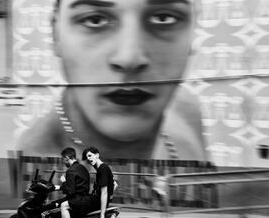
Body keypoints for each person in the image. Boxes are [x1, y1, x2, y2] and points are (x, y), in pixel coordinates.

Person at [15, 0, 208, 161]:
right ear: (55, 35)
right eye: (95, 20)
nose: (129, 59)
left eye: (163, 18)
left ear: (193, 33)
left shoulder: (186, 109)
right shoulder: (30, 161)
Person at [26, 147, 91, 218]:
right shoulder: (83, 168)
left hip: (73, 200)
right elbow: (76, 186)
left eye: (63, 159)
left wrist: (63, 182)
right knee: (54, 208)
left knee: (44, 211)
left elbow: (70, 190)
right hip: (83, 199)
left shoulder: (70, 171)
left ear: (66, 158)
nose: (63, 162)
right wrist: (59, 187)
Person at [82, 146, 115, 218]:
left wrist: (102, 216)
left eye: (90, 155)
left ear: (97, 155)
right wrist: (109, 197)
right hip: (96, 200)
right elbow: (115, 184)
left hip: (96, 202)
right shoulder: (103, 168)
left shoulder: (102, 169)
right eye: (86, 158)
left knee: (69, 205)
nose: (88, 159)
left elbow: (104, 193)